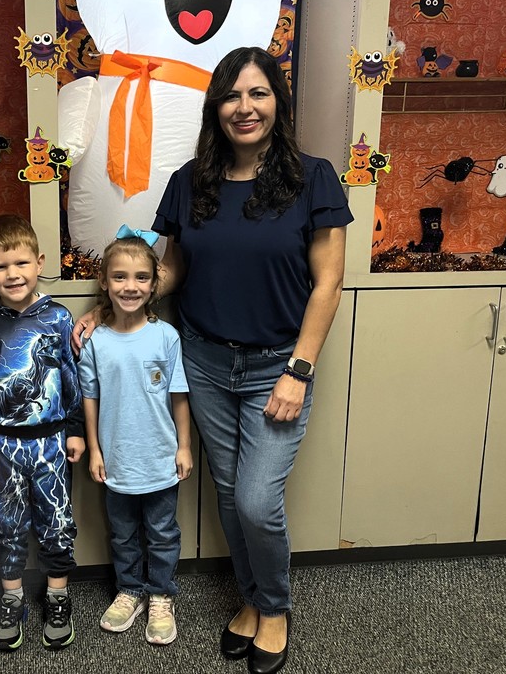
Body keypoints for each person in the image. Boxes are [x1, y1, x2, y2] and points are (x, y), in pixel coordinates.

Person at [75, 47, 353, 674]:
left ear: (277, 102)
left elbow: (328, 284)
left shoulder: (314, 179)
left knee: (257, 499)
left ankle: (275, 607)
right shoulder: (189, 180)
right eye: (232, 95)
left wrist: (299, 370)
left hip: (277, 365)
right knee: (229, 494)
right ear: (215, 106)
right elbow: (169, 268)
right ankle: (251, 600)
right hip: (201, 360)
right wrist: (110, 308)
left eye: (258, 94)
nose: (244, 108)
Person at [0, 214, 85, 653]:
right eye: (0, 266)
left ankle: (57, 594)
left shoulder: (57, 318)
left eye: (21, 263)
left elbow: (72, 377)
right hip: (0, 444)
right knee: (6, 522)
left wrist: (75, 430)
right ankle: (11, 597)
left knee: (56, 520)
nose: (12, 274)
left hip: (52, 440)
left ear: (39, 262)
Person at [77, 228, 193, 646]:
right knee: (122, 533)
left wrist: (184, 446)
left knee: (162, 532)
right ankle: (130, 591)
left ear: (154, 283)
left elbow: (178, 396)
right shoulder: (96, 341)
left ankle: (161, 595)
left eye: (141, 277)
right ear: (105, 282)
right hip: (116, 459)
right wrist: (94, 449)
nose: (131, 286)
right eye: (120, 277)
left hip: (160, 458)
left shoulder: (166, 336)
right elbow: (89, 398)